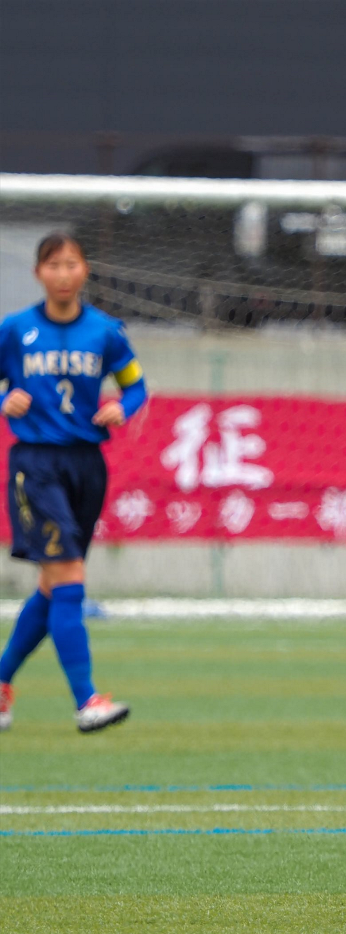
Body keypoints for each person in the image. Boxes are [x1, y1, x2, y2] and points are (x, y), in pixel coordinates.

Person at [0, 233, 148, 733]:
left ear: (85, 270)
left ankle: (0, 681)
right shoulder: (15, 330)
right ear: (38, 273)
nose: (63, 274)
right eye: (53, 265)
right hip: (36, 465)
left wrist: (121, 407)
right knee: (68, 578)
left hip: (87, 466)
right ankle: (87, 700)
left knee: (54, 585)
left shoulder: (105, 332)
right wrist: (4, 401)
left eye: (71, 264)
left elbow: (136, 385)